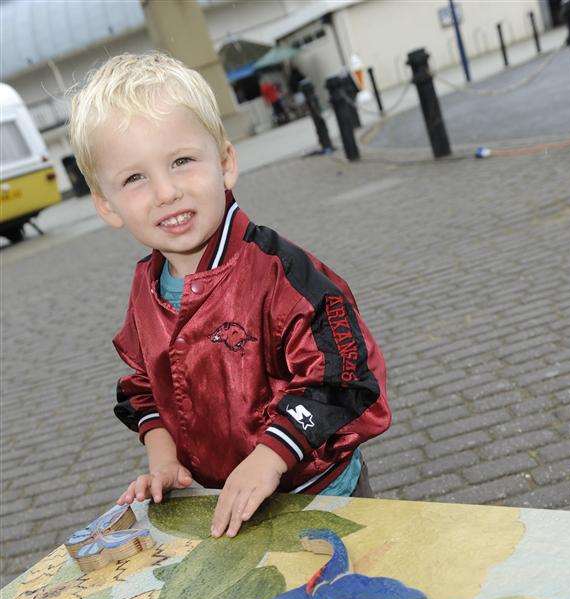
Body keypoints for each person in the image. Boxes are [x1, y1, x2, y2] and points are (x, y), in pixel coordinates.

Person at [67, 52, 390, 538]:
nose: (166, 191)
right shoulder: (147, 286)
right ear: (106, 206)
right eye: (134, 178)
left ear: (225, 163)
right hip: (223, 504)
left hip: (319, 496)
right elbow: (143, 385)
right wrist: (164, 458)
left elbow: (343, 377)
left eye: (182, 161)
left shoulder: (280, 274)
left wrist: (270, 456)